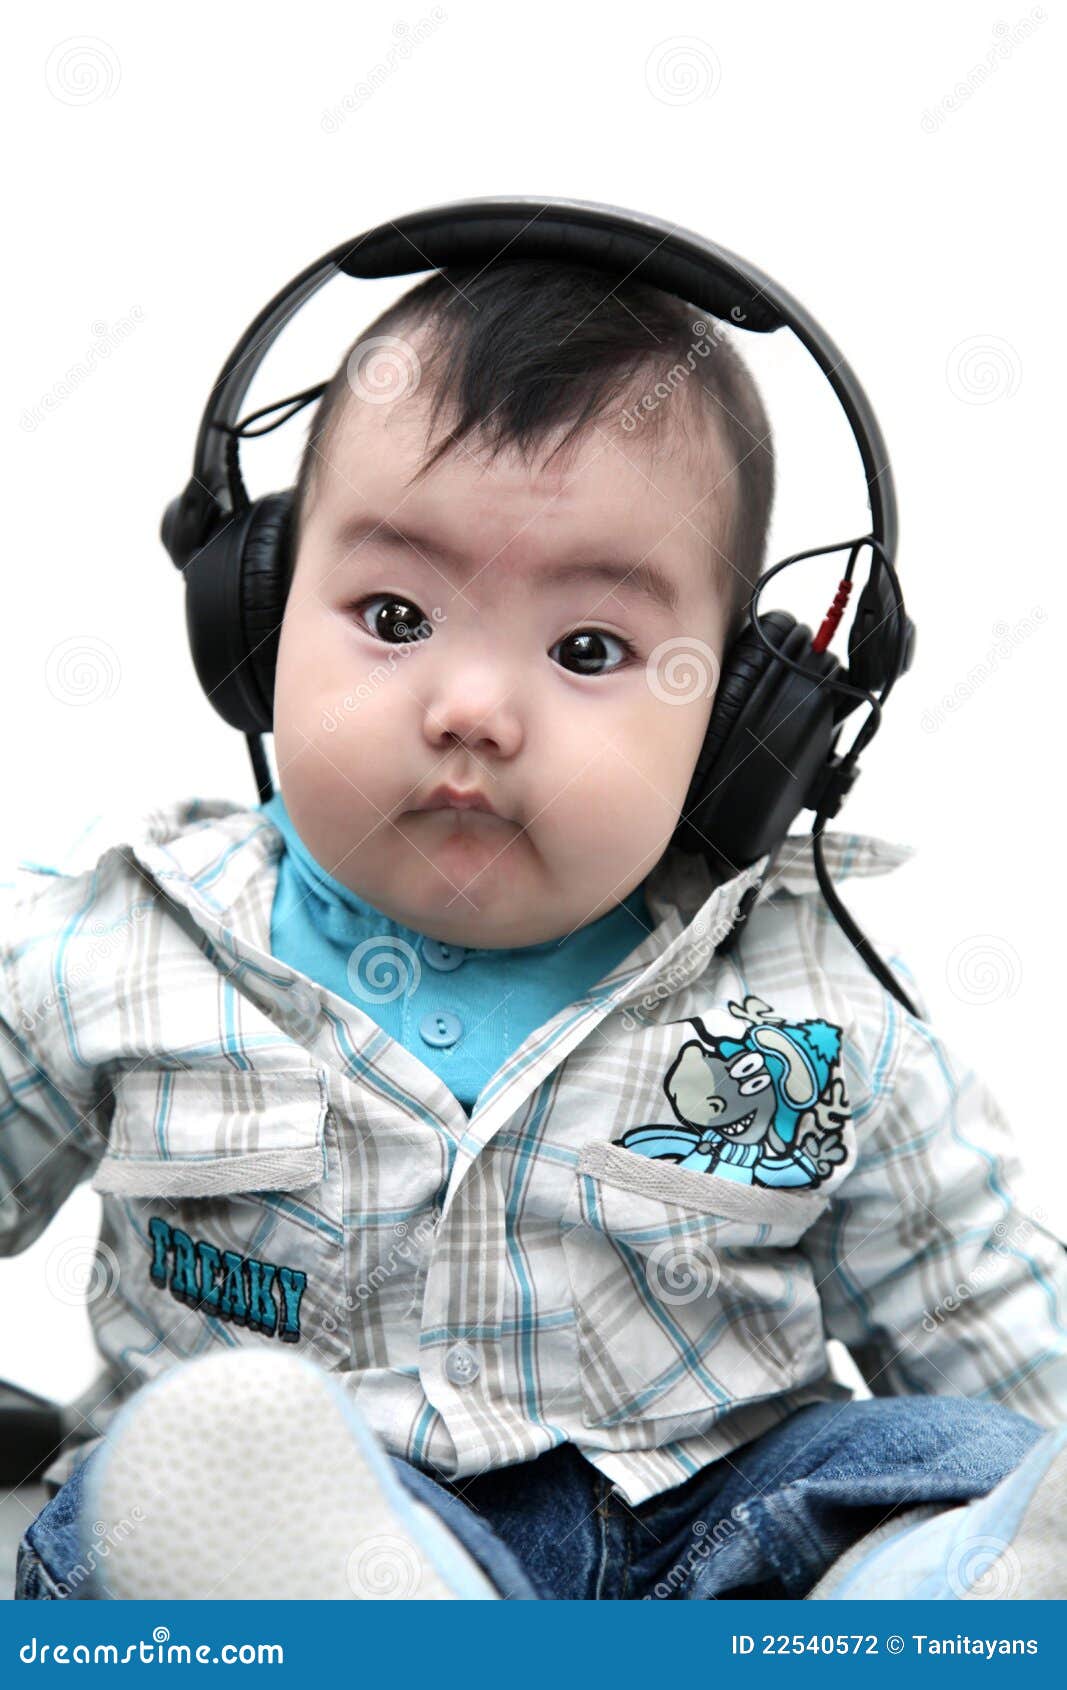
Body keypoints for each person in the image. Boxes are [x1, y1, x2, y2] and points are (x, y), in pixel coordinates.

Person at [5, 260, 1066, 1600]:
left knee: (940, 1459)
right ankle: (367, 1605)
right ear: (257, 619)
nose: (474, 709)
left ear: (747, 725)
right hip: (306, 1514)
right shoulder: (121, 946)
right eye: (395, 618)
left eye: (587, 650)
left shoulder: (817, 1005)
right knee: (178, 1467)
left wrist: (1018, 1465)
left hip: (711, 1547)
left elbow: (976, 1303)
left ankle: (939, 1588)